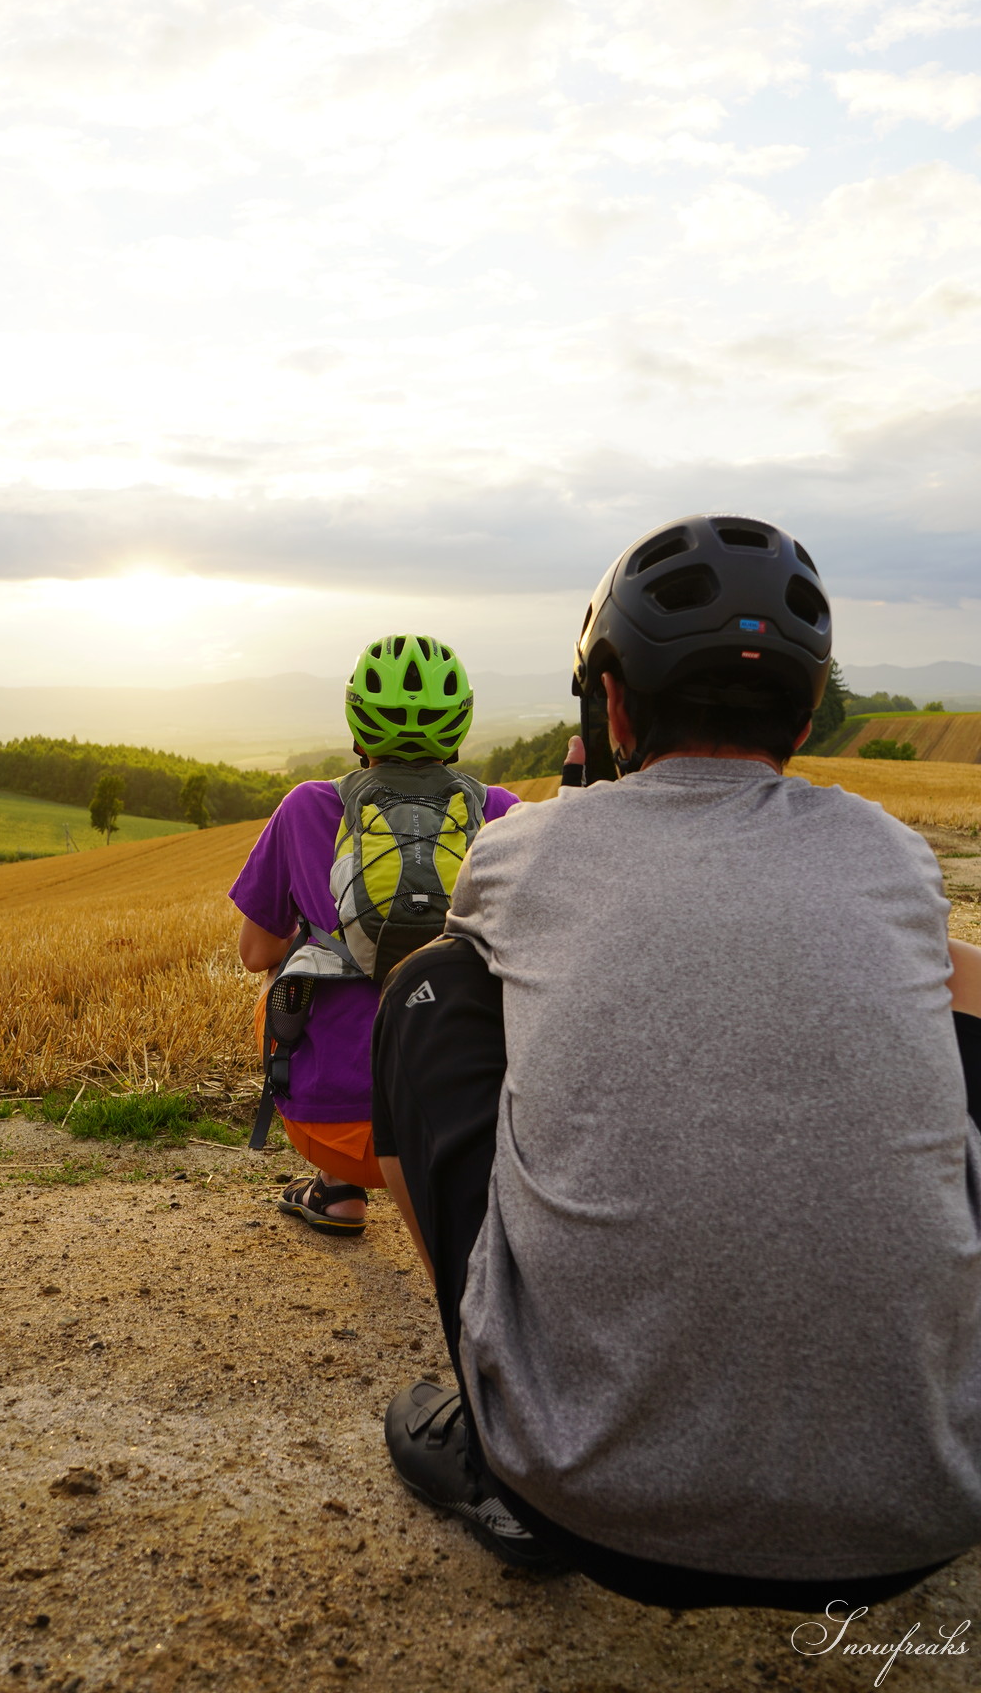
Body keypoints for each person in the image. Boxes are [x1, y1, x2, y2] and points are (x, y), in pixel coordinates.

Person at [372, 514, 981, 1609]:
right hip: (927, 1511)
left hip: (582, 1496)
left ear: (608, 704)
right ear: (807, 709)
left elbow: (525, 962)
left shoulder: (520, 849)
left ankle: (492, 1425)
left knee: (429, 988)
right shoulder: (890, 853)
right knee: (956, 1005)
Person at [230, 635, 520, 1235]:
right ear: (461, 722)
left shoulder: (307, 807)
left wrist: (336, 943)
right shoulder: (503, 811)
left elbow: (254, 952)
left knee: (280, 976)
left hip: (332, 1127)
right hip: (464, 1127)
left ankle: (337, 1189)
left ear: (356, 721)